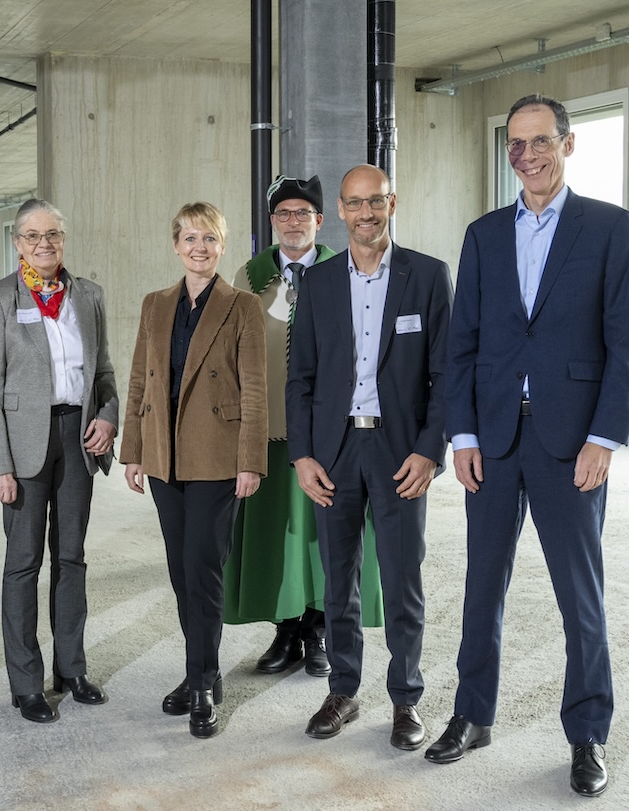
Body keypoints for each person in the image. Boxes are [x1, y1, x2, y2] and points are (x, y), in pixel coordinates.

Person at [426, 95, 629, 798]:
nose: (529, 156)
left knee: (580, 595)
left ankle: (587, 733)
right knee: (481, 585)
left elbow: (623, 345)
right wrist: (461, 434)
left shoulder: (610, 227)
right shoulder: (484, 234)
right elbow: (462, 344)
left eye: (541, 141)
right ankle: (472, 713)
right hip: (492, 438)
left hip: (569, 441)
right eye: (516, 145)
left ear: (567, 144)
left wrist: (604, 437)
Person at [286, 165, 453, 751]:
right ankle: (344, 689)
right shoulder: (320, 283)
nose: (366, 213)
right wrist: (302, 455)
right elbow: (300, 378)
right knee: (339, 581)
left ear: (392, 203)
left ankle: (406, 698)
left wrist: (431, 451)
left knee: (403, 579)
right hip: (334, 451)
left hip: (398, 450)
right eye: (355, 204)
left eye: (375, 202)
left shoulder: (429, 276)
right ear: (339, 209)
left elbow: (445, 375)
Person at [225, 174, 384, 678]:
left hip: (333, 431)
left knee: (325, 535)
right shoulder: (249, 278)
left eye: (303, 213)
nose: (293, 222)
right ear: (272, 222)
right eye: (283, 214)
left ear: (321, 219)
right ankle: (285, 628)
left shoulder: (347, 269)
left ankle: (319, 625)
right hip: (272, 430)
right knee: (280, 535)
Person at [121, 202, 267, 739]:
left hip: (216, 457)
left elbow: (254, 388)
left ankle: (203, 683)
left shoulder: (241, 306)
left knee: (204, 570)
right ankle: (198, 669)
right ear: (176, 245)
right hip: (164, 457)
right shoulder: (155, 305)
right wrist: (133, 451)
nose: (199, 247)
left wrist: (251, 460)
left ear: (222, 245)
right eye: (189, 238)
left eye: (209, 238)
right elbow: (140, 379)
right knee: (182, 572)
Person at [0, 199, 119, 724]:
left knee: (72, 557)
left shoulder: (89, 296)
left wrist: (108, 415)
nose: (44, 244)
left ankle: (71, 669)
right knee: (23, 563)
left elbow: (103, 373)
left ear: (64, 238)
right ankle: (26, 683)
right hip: (23, 444)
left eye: (53, 235)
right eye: (33, 236)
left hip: (78, 439)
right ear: (17, 243)